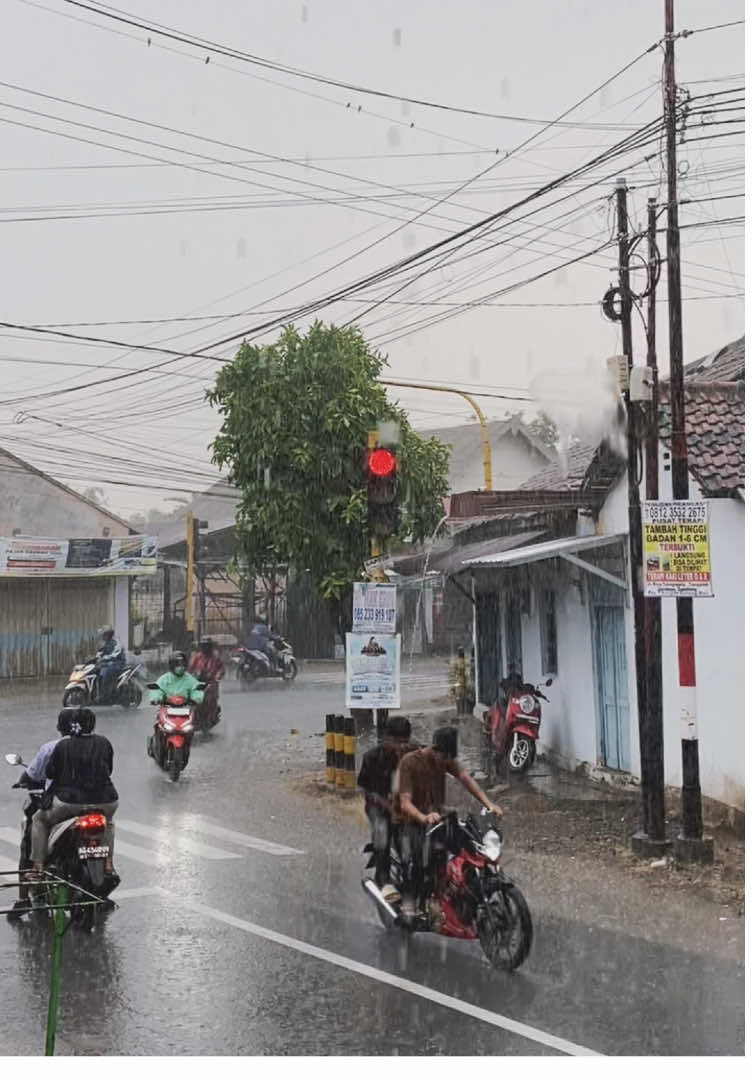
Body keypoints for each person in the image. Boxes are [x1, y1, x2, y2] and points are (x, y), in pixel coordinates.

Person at [396, 726, 503, 916]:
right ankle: (410, 903)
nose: (446, 763)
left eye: (449, 759)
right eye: (444, 757)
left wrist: (489, 804)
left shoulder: (444, 760)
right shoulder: (409, 762)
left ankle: (460, 895)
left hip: (438, 819)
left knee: (470, 848)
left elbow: (465, 778)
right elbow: (404, 802)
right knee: (423, 860)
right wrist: (423, 817)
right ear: (434, 749)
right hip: (412, 823)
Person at [29, 708, 119, 881]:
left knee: (39, 820)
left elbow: (50, 772)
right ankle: (108, 864)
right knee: (108, 823)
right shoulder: (104, 742)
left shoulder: (63, 745)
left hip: (69, 804)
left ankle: (38, 868)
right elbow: (109, 769)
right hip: (107, 801)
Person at [6, 710, 76, 919]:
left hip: (60, 804)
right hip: (91, 803)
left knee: (31, 831)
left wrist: (23, 779)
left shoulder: (52, 747)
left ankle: (24, 895)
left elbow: (32, 774)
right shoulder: (93, 745)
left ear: (59, 727)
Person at [357, 716, 417, 892]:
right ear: (386, 738)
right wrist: (390, 807)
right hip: (380, 805)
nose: (401, 747)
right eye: (396, 742)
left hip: (407, 804)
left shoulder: (415, 756)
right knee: (383, 830)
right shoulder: (371, 758)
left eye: (404, 742)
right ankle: (383, 879)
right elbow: (367, 792)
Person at [188, 637, 225, 724]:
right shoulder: (197, 657)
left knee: (211, 699)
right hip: (198, 683)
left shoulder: (215, 658)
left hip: (211, 683)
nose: (206, 648)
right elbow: (190, 669)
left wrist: (217, 676)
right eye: (204, 646)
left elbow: (221, 669)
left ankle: (212, 716)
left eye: (207, 646)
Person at [96, 625, 126, 701]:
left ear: (108, 635)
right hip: (110, 663)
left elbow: (115, 654)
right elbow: (102, 651)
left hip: (118, 663)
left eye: (104, 635)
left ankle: (105, 694)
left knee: (105, 672)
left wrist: (103, 658)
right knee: (96, 670)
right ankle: (97, 692)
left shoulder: (116, 642)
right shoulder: (107, 643)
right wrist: (96, 656)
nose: (102, 637)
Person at [450, 647, 471, 716]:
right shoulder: (465, 661)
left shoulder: (457, 662)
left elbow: (454, 672)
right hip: (463, 681)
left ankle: (459, 712)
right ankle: (463, 712)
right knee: (463, 697)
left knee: (459, 697)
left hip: (459, 681)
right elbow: (467, 672)